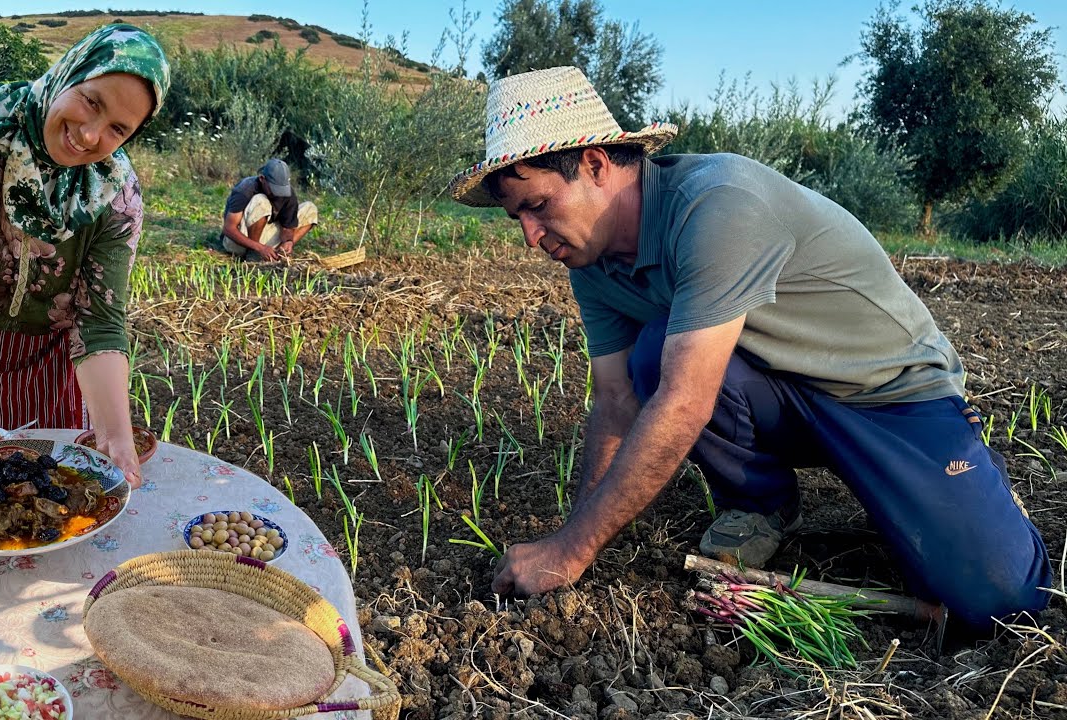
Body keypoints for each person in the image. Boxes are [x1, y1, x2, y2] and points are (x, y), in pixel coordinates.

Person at [448, 66, 1050, 629]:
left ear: (596, 164)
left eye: (538, 206)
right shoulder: (592, 262)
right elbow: (614, 399)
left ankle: (969, 481)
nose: (531, 237)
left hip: (893, 397)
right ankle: (761, 505)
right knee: (652, 356)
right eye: (517, 218)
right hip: (783, 392)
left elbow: (685, 402)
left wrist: (572, 550)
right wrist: (572, 536)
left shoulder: (717, 204)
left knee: (1000, 601)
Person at [0, 24, 172, 490]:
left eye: (117, 129)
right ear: (70, 72)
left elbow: (100, 320)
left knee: (53, 495)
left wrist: (114, 434)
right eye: (91, 101)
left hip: (56, 364)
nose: (90, 135)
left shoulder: (116, 193)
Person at [218, 158, 318, 261]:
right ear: (262, 179)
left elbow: (287, 227)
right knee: (261, 200)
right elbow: (228, 228)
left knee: (310, 209)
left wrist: (288, 241)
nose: (278, 193)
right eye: (274, 188)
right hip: (238, 242)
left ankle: (278, 253)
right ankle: (253, 254)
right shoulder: (244, 189)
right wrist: (259, 248)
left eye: (281, 189)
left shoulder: (287, 192)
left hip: (264, 240)